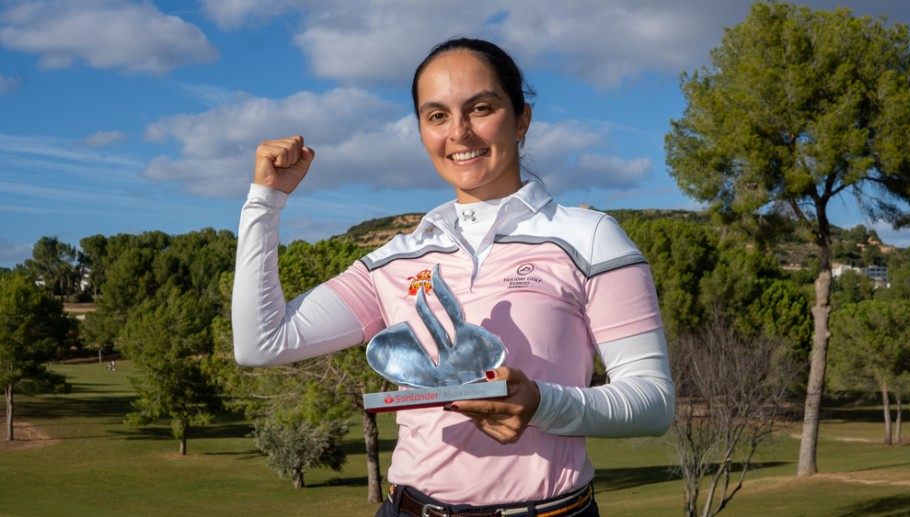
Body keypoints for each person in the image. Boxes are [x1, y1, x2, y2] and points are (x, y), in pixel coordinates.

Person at [233, 37, 674, 517]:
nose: (459, 133)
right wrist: (265, 201)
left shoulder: (590, 238)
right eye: (437, 115)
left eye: (480, 108)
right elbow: (261, 342)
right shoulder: (395, 259)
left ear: (522, 118)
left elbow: (652, 403)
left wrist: (542, 404)